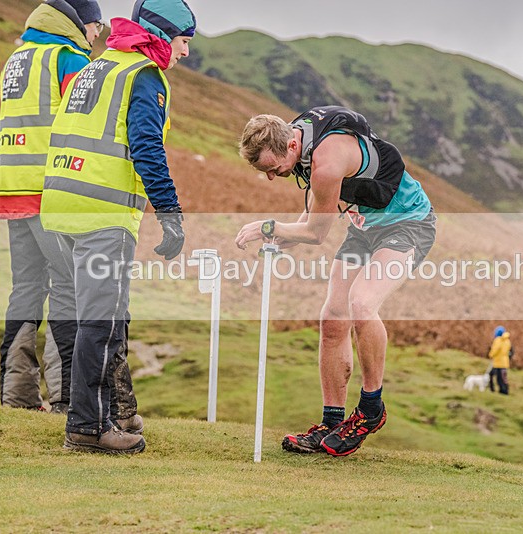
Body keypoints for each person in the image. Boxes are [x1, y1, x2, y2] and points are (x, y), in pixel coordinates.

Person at [40, 0, 195, 454]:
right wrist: (171, 214)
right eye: (183, 40)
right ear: (162, 35)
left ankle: (109, 415)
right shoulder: (143, 74)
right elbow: (147, 147)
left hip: (61, 205)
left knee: (96, 317)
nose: (185, 51)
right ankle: (88, 428)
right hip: (102, 211)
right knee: (101, 322)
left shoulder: (97, 65)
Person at [235, 106, 436, 457]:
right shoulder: (295, 135)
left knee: (362, 304)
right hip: (364, 227)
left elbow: (316, 233)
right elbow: (317, 202)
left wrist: (270, 227)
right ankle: (331, 422)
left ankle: (371, 409)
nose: (271, 177)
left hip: (408, 224)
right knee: (332, 318)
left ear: (291, 146)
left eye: (273, 169)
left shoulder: (327, 161)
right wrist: (286, 237)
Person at [0, 0, 102, 414]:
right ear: (78, 23)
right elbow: (84, 127)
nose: (97, 34)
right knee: (69, 287)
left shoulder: (17, 59)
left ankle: (16, 396)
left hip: (11, 189)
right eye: (95, 25)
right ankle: (66, 397)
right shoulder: (68, 59)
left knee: (25, 288)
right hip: (50, 193)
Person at [488, 325, 511, 395]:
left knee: (495, 376)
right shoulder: (507, 340)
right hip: (505, 362)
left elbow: (495, 349)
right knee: (503, 378)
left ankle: (497, 390)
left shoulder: (498, 340)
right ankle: (504, 391)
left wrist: (491, 355)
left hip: (498, 362)